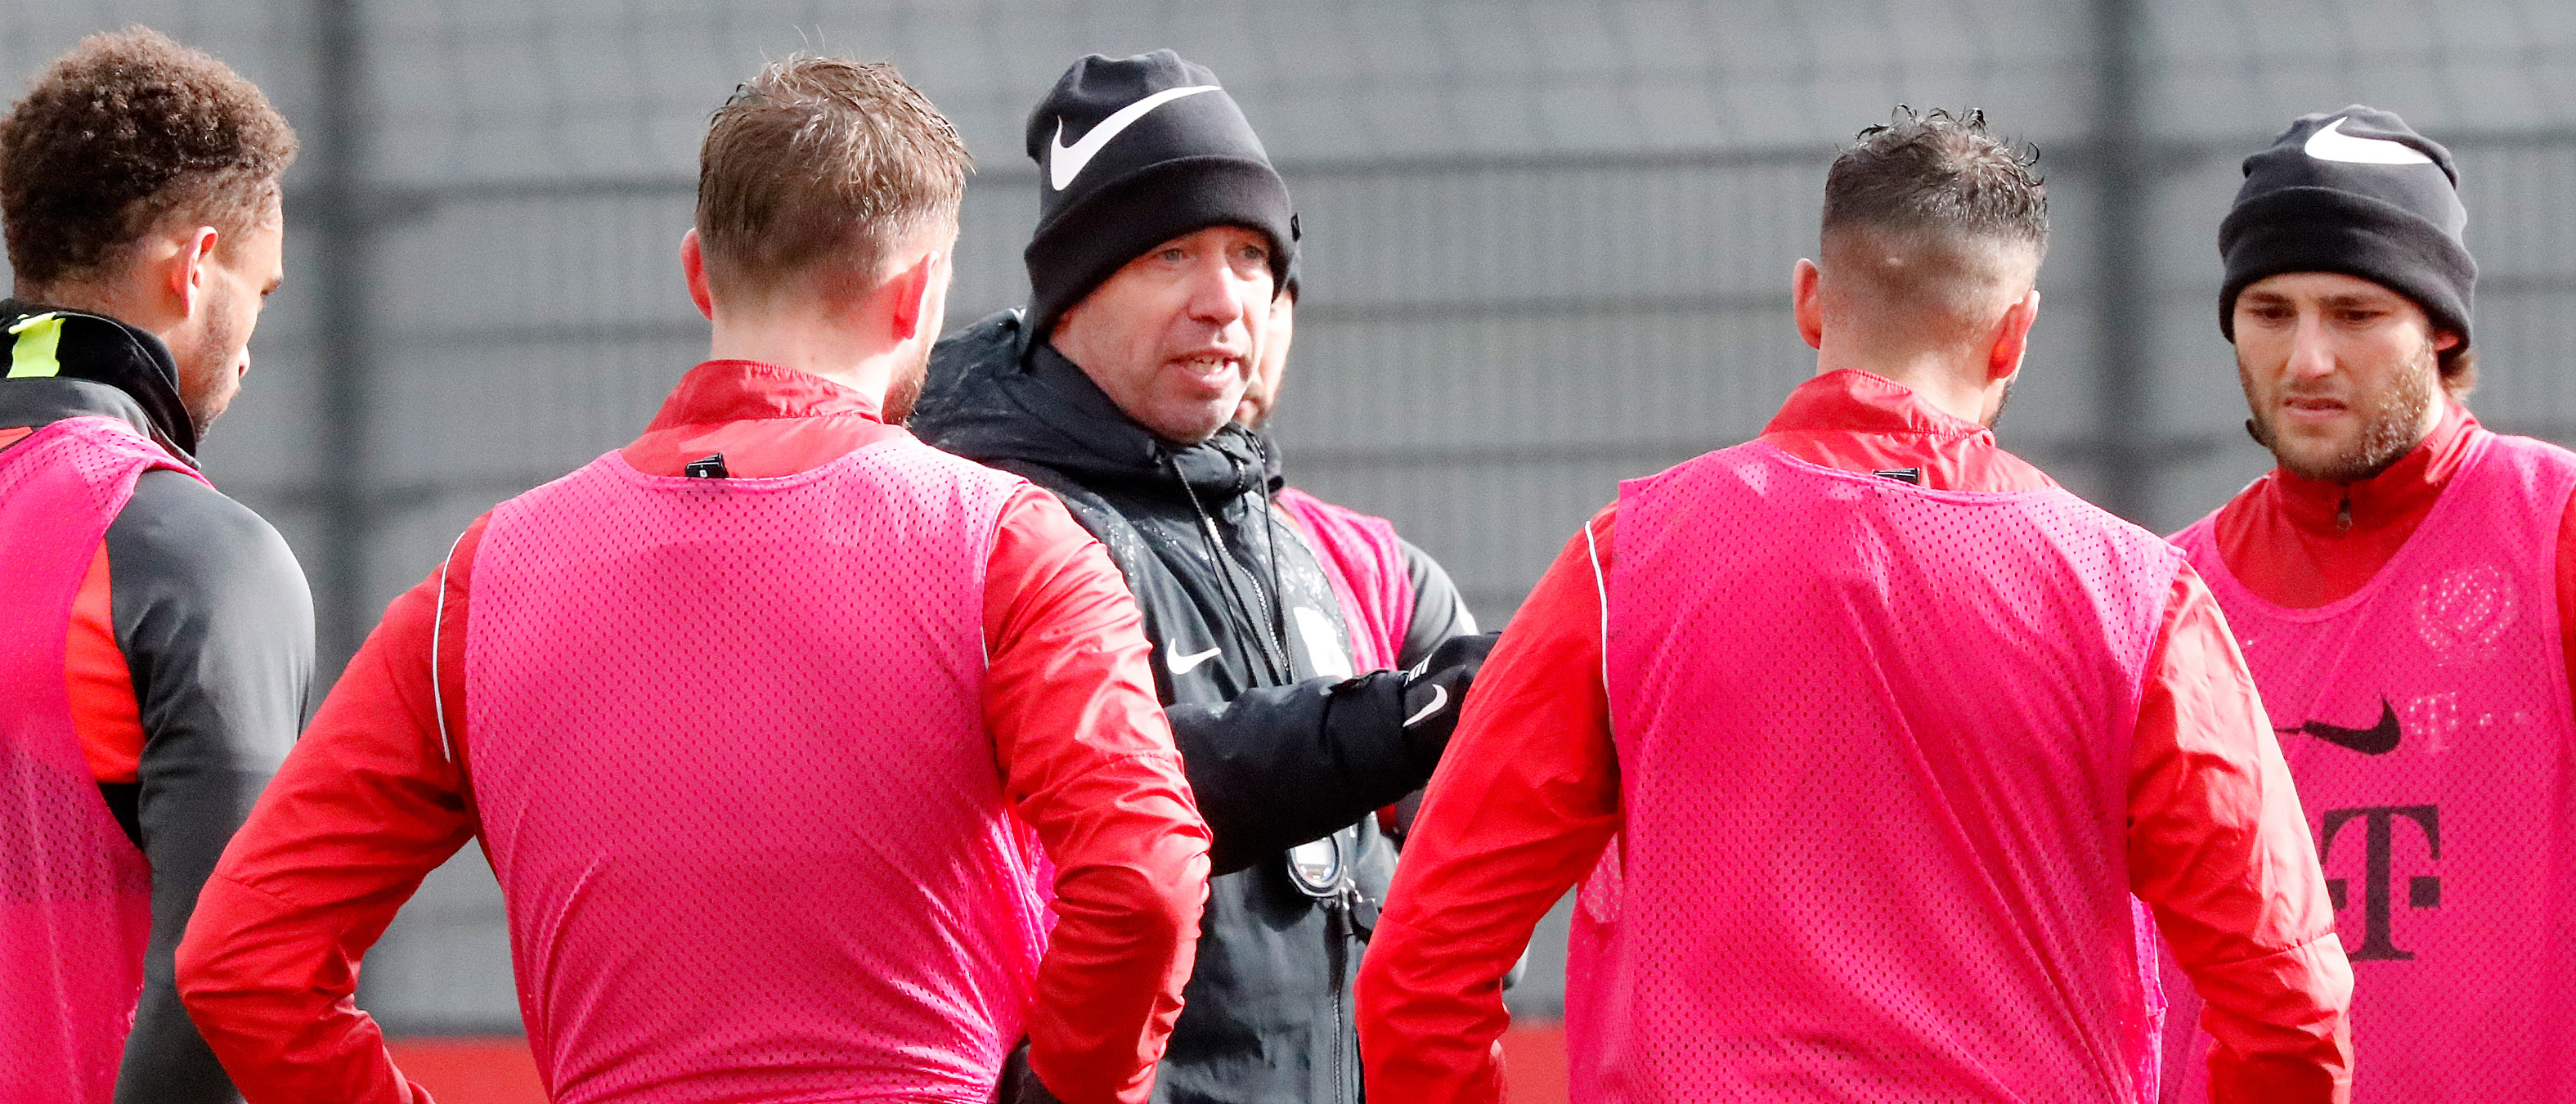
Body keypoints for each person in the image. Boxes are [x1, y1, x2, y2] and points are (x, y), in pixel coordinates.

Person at [176, 57, 1209, 1104]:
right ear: (918, 294)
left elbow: (244, 958)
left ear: (697, 272)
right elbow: (1144, 879)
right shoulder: (1010, 548)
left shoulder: (482, 586)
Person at [1354, 109, 2355, 1104]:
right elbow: (2290, 1005)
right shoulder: (2135, 599)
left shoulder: (1629, 568)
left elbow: (1426, 968)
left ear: (1809, 300)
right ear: (2015, 335)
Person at [910, 50, 1493, 1104]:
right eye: (1170, 254)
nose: (1226, 300)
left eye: (1250, 254)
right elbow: (1132, 788)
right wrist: (1401, 719)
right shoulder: (996, 524)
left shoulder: (1277, 529)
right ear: (1072, 296)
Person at [2156, 105, 2576, 1104]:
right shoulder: (2163, 593)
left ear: (2440, 327)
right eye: (2271, 313)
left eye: (2353, 314)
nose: (2307, 360)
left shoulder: (2552, 532)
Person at [0, 29, 307, 1103]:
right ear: (193, 266)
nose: (251, 348)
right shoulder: (194, 554)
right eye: (259, 292)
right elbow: (225, 975)